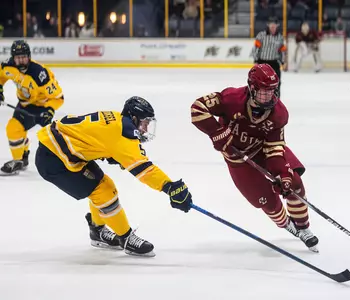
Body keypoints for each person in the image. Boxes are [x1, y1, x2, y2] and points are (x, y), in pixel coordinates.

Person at [35, 96, 193, 257]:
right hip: (55, 160)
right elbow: (145, 170)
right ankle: (126, 238)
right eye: (144, 123)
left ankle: (97, 231)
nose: (145, 129)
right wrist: (170, 187)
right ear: (133, 117)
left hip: (60, 151)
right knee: (103, 191)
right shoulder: (124, 134)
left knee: (101, 184)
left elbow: (93, 134)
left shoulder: (116, 118)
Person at [190, 64, 319, 252]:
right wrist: (216, 132)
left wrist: (282, 173)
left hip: (261, 150)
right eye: (263, 92)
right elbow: (198, 107)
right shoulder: (231, 98)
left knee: (293, 183)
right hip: (239, 161)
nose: (268, 97)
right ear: (251, 87)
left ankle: (303, 226)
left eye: (272, 91)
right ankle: (287, 224)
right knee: (268, 202)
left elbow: (274, 148)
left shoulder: (279, 113)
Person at [0, 40, 64, 175]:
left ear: (29, 56)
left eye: (24, 57)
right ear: (13, 58)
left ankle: (69, 158)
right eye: (18, 58)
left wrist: (49, 110)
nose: (21, 61)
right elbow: (1, 76)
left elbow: (59, 97)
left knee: (52, 138)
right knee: (13, 129)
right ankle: (20, 160)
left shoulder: (40, 74)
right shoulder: (8, 66)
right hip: (24, 104)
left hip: (42, 107)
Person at [252, 17, 286, 93]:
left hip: (274, 63)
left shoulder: (280, 37)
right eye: (271, 25)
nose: (273, 26)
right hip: (262, 62)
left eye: (274, 25)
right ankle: (260, 101)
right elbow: (256, 48)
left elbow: (282, 51)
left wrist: (283, 62)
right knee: (260, 83)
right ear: (268, 25)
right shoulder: (261, 35)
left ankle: (276, 101)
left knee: (276, 83)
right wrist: (255, 60)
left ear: (277, 26)